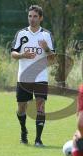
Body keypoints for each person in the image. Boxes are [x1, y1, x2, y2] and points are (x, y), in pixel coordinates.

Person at [11, 5, 55, 146]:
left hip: (41, 76)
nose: (32, 19)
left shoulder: (46, 35)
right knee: (21, 107)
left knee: (40, 105)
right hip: (24, 77)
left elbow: (53, 58)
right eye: (30, 16)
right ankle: (23, 131)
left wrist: (46, 49)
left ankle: (38, 139)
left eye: (35, 16)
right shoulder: (21, 34)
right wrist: (23, 55)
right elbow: (13, 53)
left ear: (41, 18)